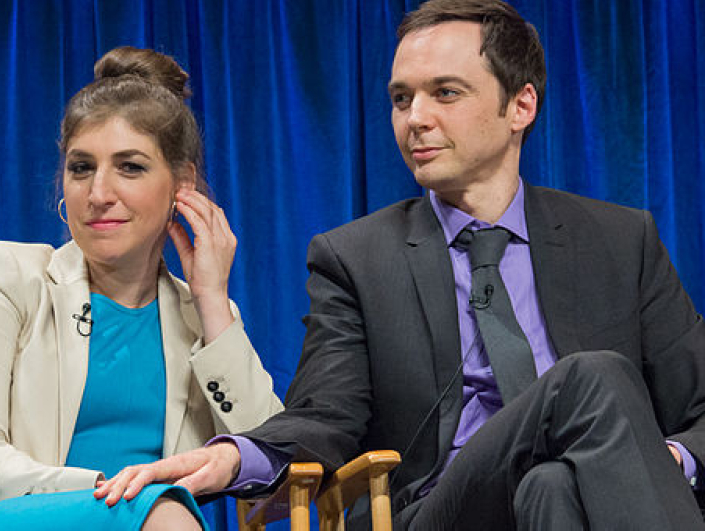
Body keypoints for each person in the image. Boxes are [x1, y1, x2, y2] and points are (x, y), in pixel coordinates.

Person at [96, 2, 705, 529]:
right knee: (591, 377)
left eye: (445, 93)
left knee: (551, 487)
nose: (415, 118)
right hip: (439, 506)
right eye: (400, 98)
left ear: (521, 105)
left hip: (572, 498)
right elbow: (324, 417)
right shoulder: (355, 259)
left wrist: (662, 461)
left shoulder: (620, 240)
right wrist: (235, 458)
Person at [0, 46, 283, 531]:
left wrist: (212, 300)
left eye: (129, 167)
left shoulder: (208, 322)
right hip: (1, 519)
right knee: (166, 515)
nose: (98, 194)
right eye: (81, 167)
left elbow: (271, 468)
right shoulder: (1, 275)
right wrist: (116, 498)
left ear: (183, 184)